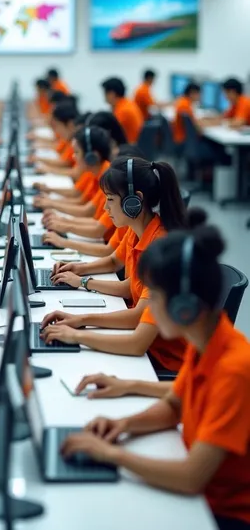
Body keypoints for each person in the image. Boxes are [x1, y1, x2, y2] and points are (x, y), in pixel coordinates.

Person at [61, 225, 250, 530]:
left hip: (221, 514)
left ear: (184, 308)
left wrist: (111, 454)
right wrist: (123, 425)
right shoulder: (207, 341)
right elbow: (175, 406)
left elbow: (190, 478)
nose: (145, 306)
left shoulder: (234, 368)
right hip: (199, 494)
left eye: (154, 296)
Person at [41, 156, 188, 373]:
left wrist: (79, 328)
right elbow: (132, 286)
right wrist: (82, 280)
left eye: (110, 199)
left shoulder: (161, 249)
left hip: (163, 360)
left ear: (134, 201)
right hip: (146, 344)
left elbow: (138, 322)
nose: (104, 206)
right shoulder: (139, 231)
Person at [36, 126, 111, 229]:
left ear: (91, 157)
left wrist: (62, 221)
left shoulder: (107, 178)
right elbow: (80, 198)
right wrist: (51, 200)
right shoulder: (94, 172)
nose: (73, 157)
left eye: (76, 152)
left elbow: (87, 212)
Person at [101, 77, 143, 143]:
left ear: (112, 94)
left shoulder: (123, 110)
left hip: (130, 146)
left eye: (105, 93)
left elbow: (110, 131)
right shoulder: (127, 103)